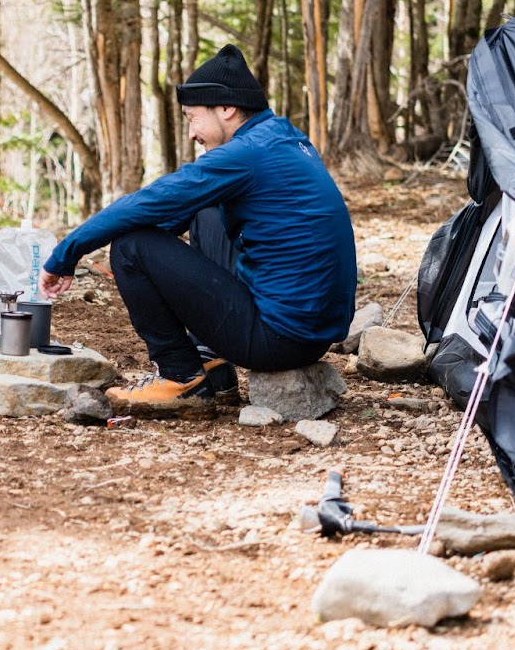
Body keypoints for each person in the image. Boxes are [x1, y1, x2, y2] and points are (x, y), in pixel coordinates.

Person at [39, 45, 356, 418]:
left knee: (130, 246)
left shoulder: (245, 155)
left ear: (226, 108)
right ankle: (212, 363)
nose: (192, 133)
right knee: (205, 209)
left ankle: (181, 376)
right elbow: (176, 210)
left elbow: (148, 201)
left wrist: (67, 253)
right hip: (313, 331)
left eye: (193, 118)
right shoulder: (284, 138)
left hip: (279, 339)